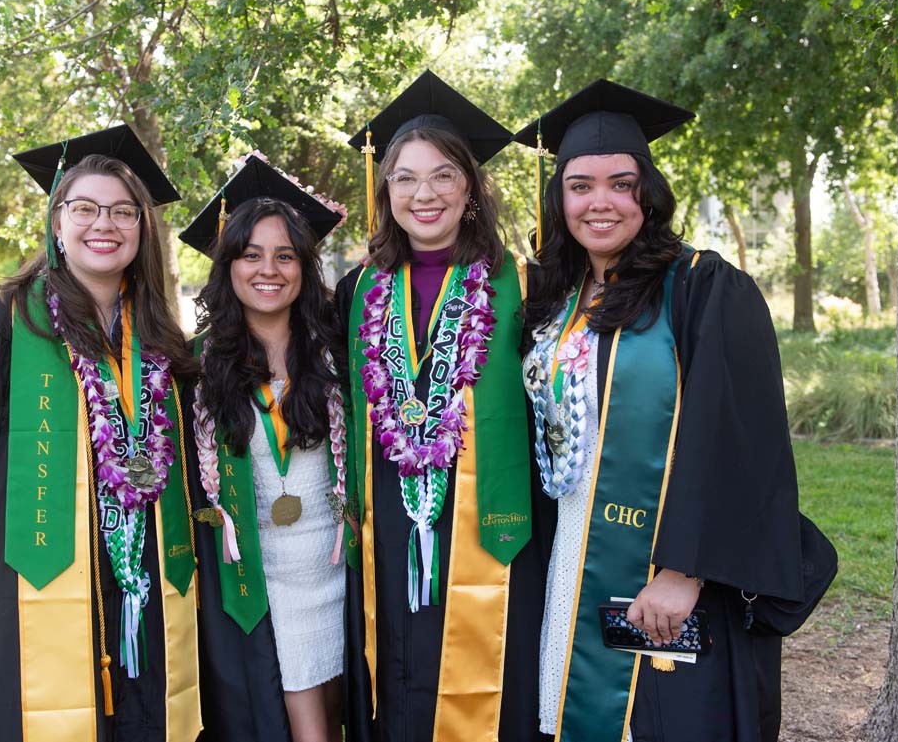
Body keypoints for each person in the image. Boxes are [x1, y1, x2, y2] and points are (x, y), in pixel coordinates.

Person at [513, 80, 813, 742]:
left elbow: (737, 432)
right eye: (580, 185)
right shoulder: (553, 301)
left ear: (648, 192)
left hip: (666, 565)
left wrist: (683, 571)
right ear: (557, 197)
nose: (600, 202)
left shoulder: (703, 285)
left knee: (662, 719)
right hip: (568, 549)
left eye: (621, 183)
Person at [0, 125, 204, 742]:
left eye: (124, 212)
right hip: (30, 584)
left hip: (144, 580)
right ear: (55, 222)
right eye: (85, 208)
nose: (105, 224)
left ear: (143, 230)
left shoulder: (160, 340)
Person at [336, 70, 546, 742]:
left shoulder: (525, 284)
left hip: (491, 521)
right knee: (395, 672)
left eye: (443, 175)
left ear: (471, 186)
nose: (423, 193)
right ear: (385, 188)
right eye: (405, 176)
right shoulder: (356, 290)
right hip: (386, 525)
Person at [179, 153, 349, 742]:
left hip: (337, 568)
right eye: (250, 254)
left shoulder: (336, 350)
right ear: (227, 266)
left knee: (334, 710)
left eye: (285, 255)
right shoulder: (198, 368)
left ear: (305, 266)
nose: (267, 269)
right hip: (265, 575)